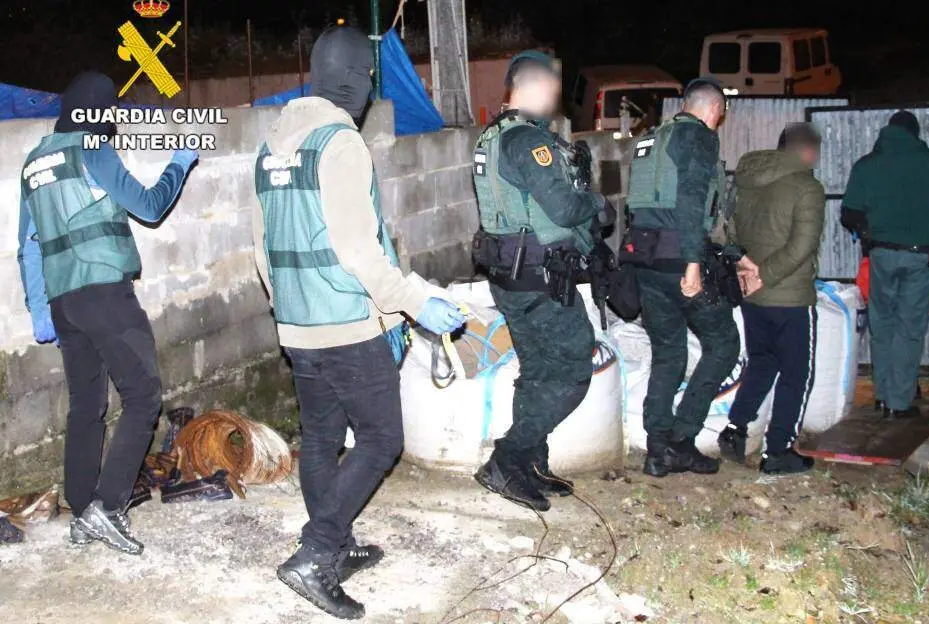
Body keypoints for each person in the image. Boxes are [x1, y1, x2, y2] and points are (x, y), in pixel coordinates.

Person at [251, 26, 465, 619]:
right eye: (368, 78)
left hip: (298, 325)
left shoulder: (272, 145)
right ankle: (316, 553)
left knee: (321, 438)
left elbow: (261, 246)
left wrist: (286, 307)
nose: (370, 89)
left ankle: (336, 545)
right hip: (346, 324)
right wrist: (414, 302)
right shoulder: (340, 142)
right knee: (380, 439)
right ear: (351, 80)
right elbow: (358, 249)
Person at [16, 71, 198, 554]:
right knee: (143, 396)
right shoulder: (93, 148)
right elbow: (150, 206)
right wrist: (179, 163)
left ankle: (82, 510)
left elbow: (28, 247)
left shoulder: (33, 163)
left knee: (86, 407)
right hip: (104, 294)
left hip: (64, 302)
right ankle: (108, 506)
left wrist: (39, 311)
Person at [471, 51, 614, 512]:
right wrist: (597, 202)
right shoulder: (528, 141)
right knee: (573, 368)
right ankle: (507, 459)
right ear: (532, 87)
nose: (555, 100)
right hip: (539, 278)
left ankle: (530, 465)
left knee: (537, 371)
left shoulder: (493, 136)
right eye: (552, 89)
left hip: (512, 275)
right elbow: (565, 209)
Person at [620, 78, 750, 478]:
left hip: (646, 261)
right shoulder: (699, 137)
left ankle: (657, 450)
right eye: (721, 115)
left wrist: (735, 255)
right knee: (724, 344)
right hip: (681, 262)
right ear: (714, 111)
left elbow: (644, 206)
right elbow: (692, 203)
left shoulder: (651, 139)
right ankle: (681, 440)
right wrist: (694, 263)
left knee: (668, 354)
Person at [716, 123, 825, 475]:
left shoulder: (745, 181)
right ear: (808, 151)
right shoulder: (807, 187)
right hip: (789, 296)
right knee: (797, 373)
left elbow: (730, 232)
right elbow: (802, 245)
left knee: (762, 362)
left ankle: (735, 429)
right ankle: (778, 451)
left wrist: (748, 272)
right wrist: (765, 274)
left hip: (753, 295)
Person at [840, 111, 929, 419]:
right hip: (922, 255)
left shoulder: (867, 165)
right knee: (909, 328)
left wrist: (868, 233)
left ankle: (883, 396)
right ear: (915, 133)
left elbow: (849, 214)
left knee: (882, 325)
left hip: (881, 255)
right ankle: (899, 402)